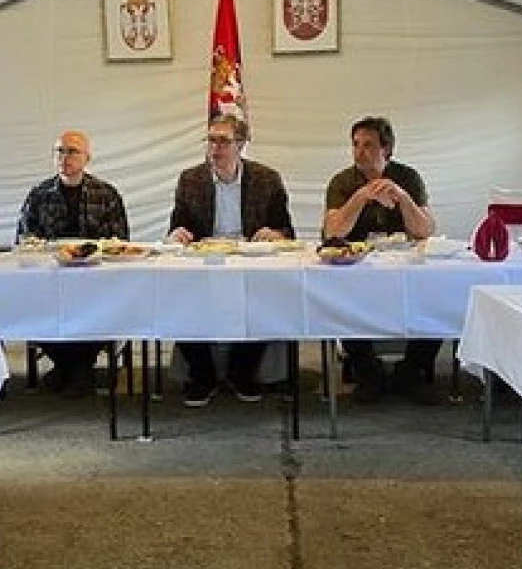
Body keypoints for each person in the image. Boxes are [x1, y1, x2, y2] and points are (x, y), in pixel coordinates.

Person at [168, 115, 295, 407]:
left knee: (270, 296)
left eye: (223, 141)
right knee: (177, 295)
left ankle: (242, 371)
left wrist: (275, 234)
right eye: (211, 140)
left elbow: (286, 230)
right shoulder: (190, 180)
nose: (215, 148)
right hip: (206, 260)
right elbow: (178, 227)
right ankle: (202, 374)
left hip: (251, 260)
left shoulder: (267, 179)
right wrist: (178, 234)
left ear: (241, 144)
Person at [323, 116, 438, 404]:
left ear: (386, 149)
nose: (359, 152)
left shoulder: (408, 177)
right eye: (356, 145)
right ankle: (367, 371)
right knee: (341, 299)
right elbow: (333, 231)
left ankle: (411, 371)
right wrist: (361, 196)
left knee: (435, 295)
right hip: (358, 267)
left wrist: (402, 197)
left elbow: (425, 230)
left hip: (404, 266)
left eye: (368, 145)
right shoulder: (342, 181)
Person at [17, 130, 129, 398]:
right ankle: (72, 367)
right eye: (60, 151)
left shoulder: (106, 194)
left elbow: (120, 241)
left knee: (104, 308)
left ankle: (75, 368)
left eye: (72, 151)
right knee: (29, 307)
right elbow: (24, 239)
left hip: (95, 280)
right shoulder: (38, 195)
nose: (65, 157)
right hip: (50, 279)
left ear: (87, 158)